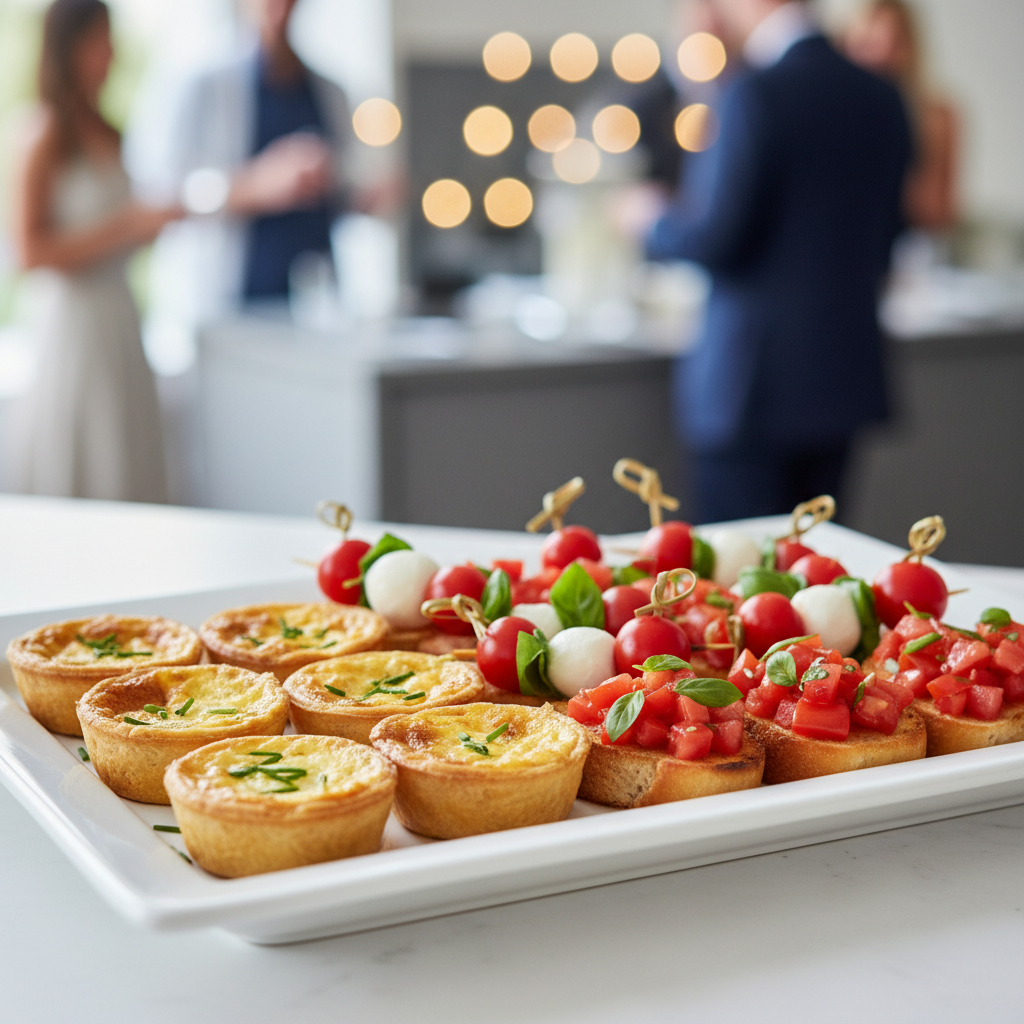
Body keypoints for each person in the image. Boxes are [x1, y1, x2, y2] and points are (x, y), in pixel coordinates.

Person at [646, 0, 913, 523]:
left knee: (737, 587)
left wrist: (648, 220)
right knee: (818, 578)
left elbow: (714, 238)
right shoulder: (882, 95)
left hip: (750, 384)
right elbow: (890, 234)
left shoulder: (751, 91)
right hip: (841, 376)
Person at [10, 0, 178, 502]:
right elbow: (29, 251)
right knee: (81, 461)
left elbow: (123, 233)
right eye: (100, 41)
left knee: (125, 460)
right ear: (71, 47)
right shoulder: (42, 132)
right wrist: (125, 226)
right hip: (73, 324)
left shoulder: (109, 130)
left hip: (119, 317)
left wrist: (149, 227)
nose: (111, 53)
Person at [128, 0, 352, 329]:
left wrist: (358, 196)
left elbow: (339, 193)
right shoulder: (199, 83)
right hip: (230, 299)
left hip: (314, 302)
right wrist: (257, 185)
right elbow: (160, 196)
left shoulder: (330, 92)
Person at [843, 0, 959, 230]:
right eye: (867, 45)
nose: (880, 58)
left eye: (894, 45)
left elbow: (936, 214)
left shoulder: (934, 116)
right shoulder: (830, 114)